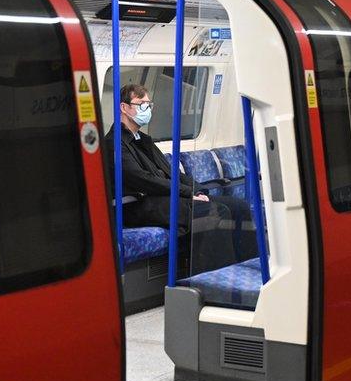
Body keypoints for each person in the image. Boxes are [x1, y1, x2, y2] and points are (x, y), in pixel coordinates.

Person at [105, 83, 255, 272]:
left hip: (164, 198)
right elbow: (142, 179)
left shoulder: (144, 140)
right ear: (124, 107)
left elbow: (172, 172)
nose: (147, 109)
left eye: (149, 105)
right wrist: (185, 193)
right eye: (141, 104)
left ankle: (247, 271)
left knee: (239, 206)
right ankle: (211, 281)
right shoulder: (113, 144)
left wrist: (197, 189)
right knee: (213, 211)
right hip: (137, 204)